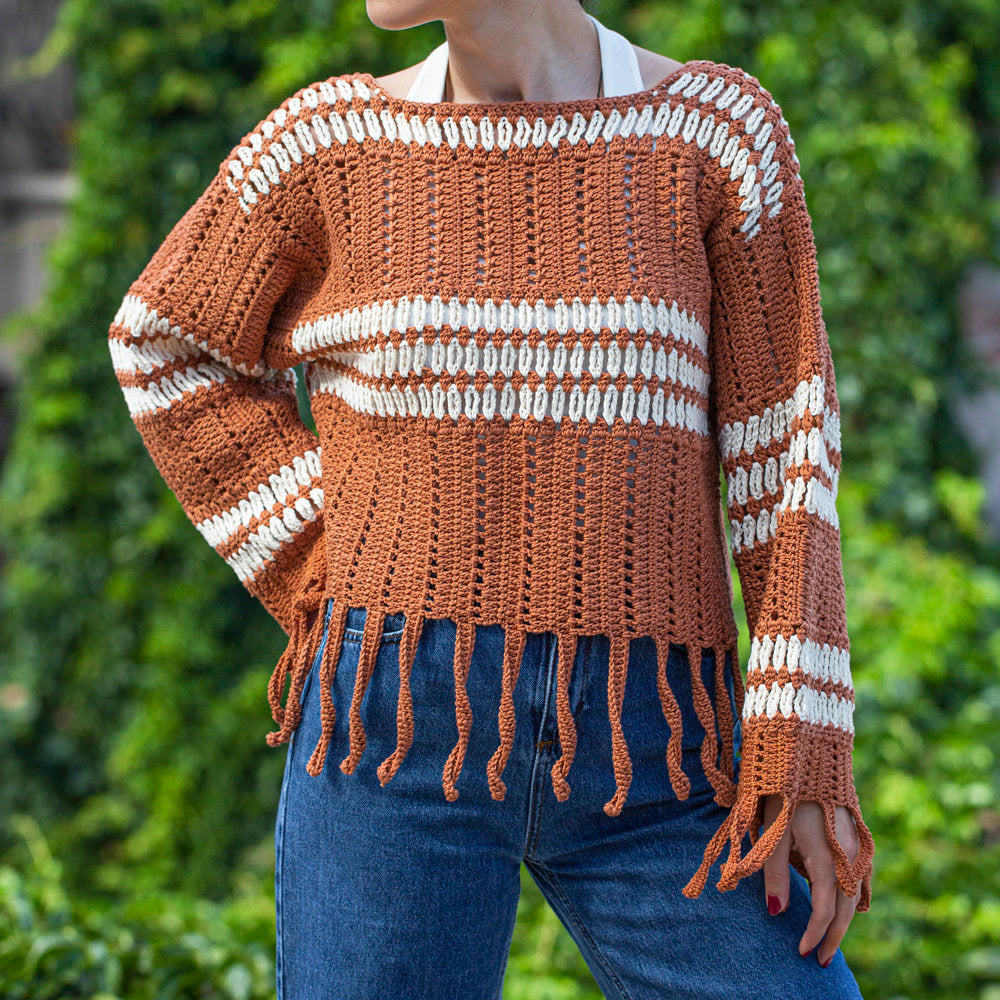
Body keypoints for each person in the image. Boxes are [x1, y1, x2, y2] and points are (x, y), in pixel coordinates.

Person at [107, 1, 876, 996]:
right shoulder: (327, 146)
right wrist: (332, 563)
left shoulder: (713, 136)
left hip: (662, 751)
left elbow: (787, 453)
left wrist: (801, 746)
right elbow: (164, 343)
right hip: (390, 727)